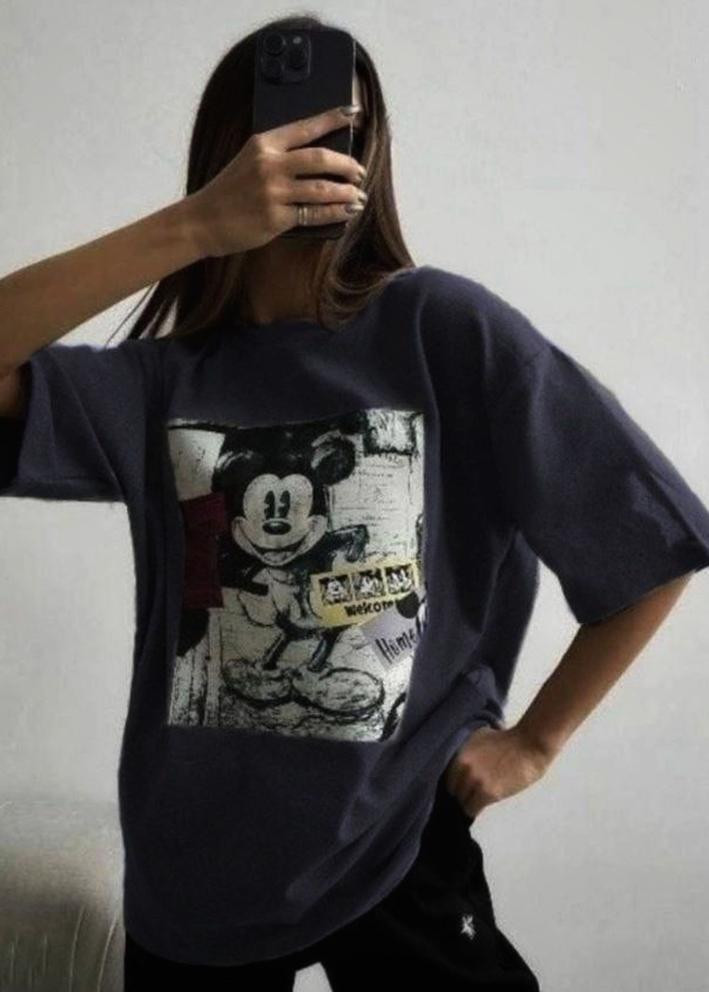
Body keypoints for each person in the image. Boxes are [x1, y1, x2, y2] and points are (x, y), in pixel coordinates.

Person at [2, 13, 709, 992]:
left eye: (343, 125)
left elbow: (648, 541)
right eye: (280, 126)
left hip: (398, 842)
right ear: (226, 152)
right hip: (197, 866)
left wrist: (534, 743)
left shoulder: (443, 330)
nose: (311, 144)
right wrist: (194, 227)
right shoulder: (162, 384)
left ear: (372, 152)